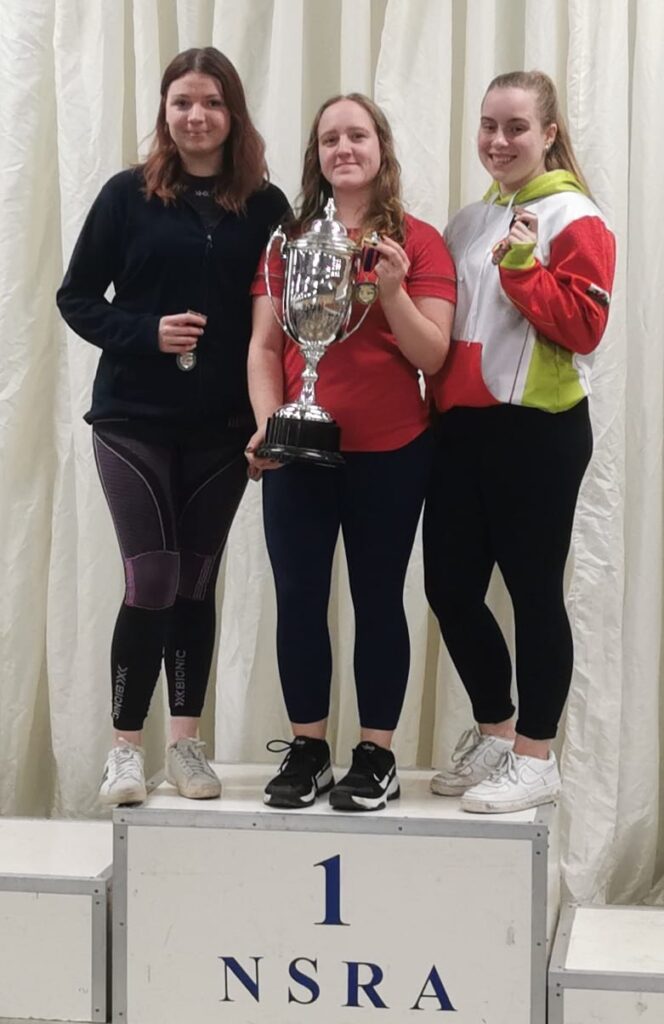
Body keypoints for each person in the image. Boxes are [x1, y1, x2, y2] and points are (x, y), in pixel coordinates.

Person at [57, 47, 289, 806]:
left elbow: (286, 322)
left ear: (233, 115)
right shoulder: (127, 196)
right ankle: (126, 749)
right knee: (151, 576)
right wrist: (144, 332)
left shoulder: (265, 206)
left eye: (211, 103)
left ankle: (186, 747)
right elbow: (78, 297)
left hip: (223, 429)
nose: (195, 116)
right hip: (132, 418)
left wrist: (269, 420)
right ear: (165, 112)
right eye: (182, 102)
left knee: (194, 581)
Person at [246, 93, 456, 812]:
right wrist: (269, 424)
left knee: (377, 599)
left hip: (393, 449)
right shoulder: (287, 242)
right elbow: (265, 345)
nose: (344, 148)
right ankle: (308, 750)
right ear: (318, 155)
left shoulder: (418, 242)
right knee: (300, 598)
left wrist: (393, 291)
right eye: (330, 138)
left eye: (357, 135)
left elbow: (433, 351)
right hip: (299, 450)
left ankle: (377, 754)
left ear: (381, 148)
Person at [424, 71, 616, 814]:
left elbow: (585, 328)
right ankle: (498, 732)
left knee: (533, 592)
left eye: (515, 128)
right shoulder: (470, 220)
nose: (498, 142)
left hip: (538, 431)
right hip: (462, 430)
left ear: (549, 134)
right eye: (488, 126)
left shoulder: (574, 215)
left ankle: (538, 754)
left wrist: (521, 269)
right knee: (448, 588)